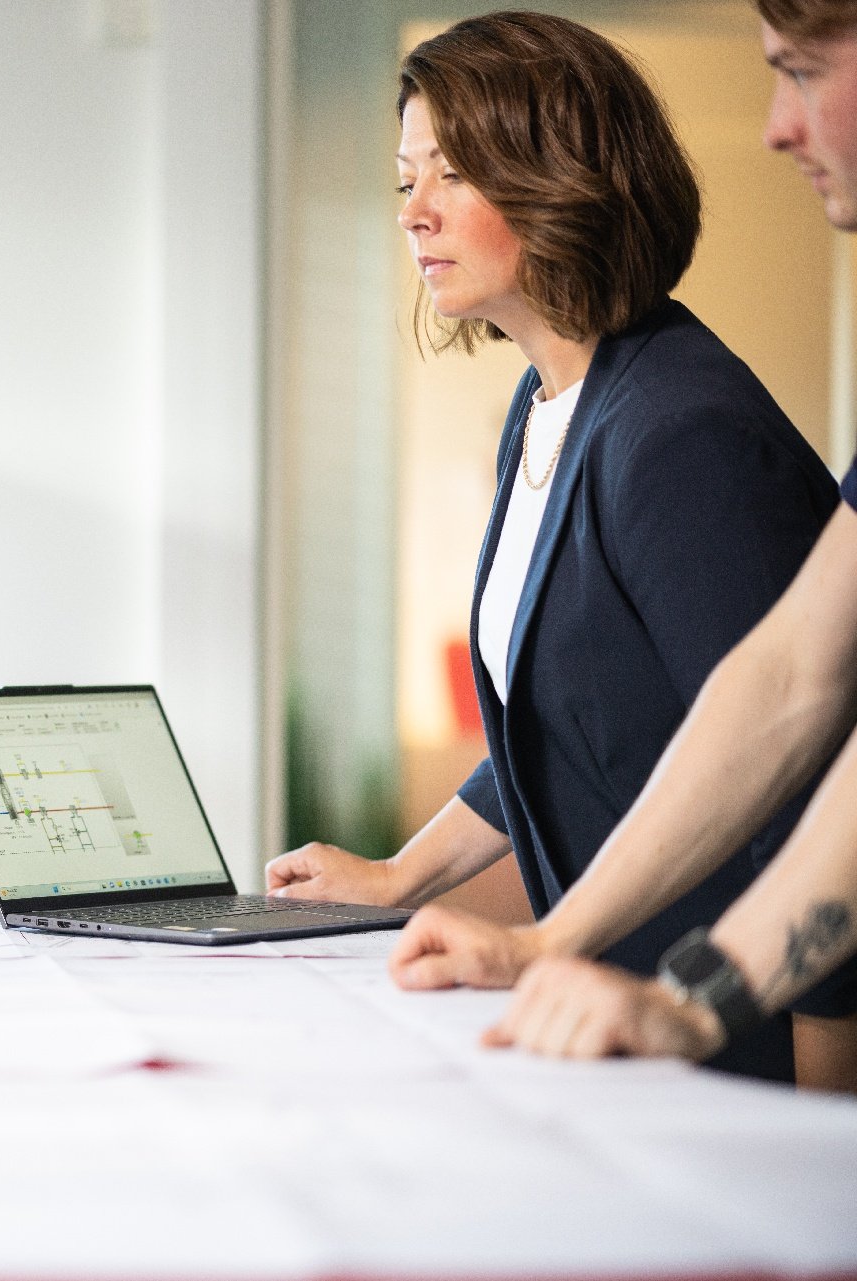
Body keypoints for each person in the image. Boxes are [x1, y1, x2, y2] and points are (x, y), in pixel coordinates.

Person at [261, 10, 839, 1081]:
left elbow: (803, 774)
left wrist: (830, 1096)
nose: (414, 212)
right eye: (406, 180)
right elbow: (564, 720)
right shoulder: (548, 406)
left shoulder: (682, 435)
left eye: (452, 174)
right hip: (613, 1016)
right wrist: (399, 877)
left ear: (560, 178)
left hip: (732, 1033)